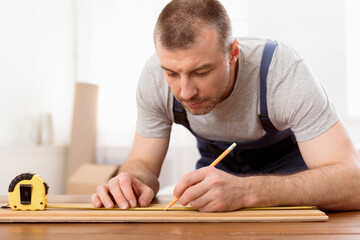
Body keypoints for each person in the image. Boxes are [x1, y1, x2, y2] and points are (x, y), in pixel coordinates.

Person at [92, 0, 360, 212]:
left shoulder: (282, 72)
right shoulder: (154, 76)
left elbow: (353, 183)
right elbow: (142, 163)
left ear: (233, 53)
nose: (185, 92)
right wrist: (131, 181)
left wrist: (246, 192)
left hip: (294, 197)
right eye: (172, 73)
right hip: (216, 201)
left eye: (201, 71)